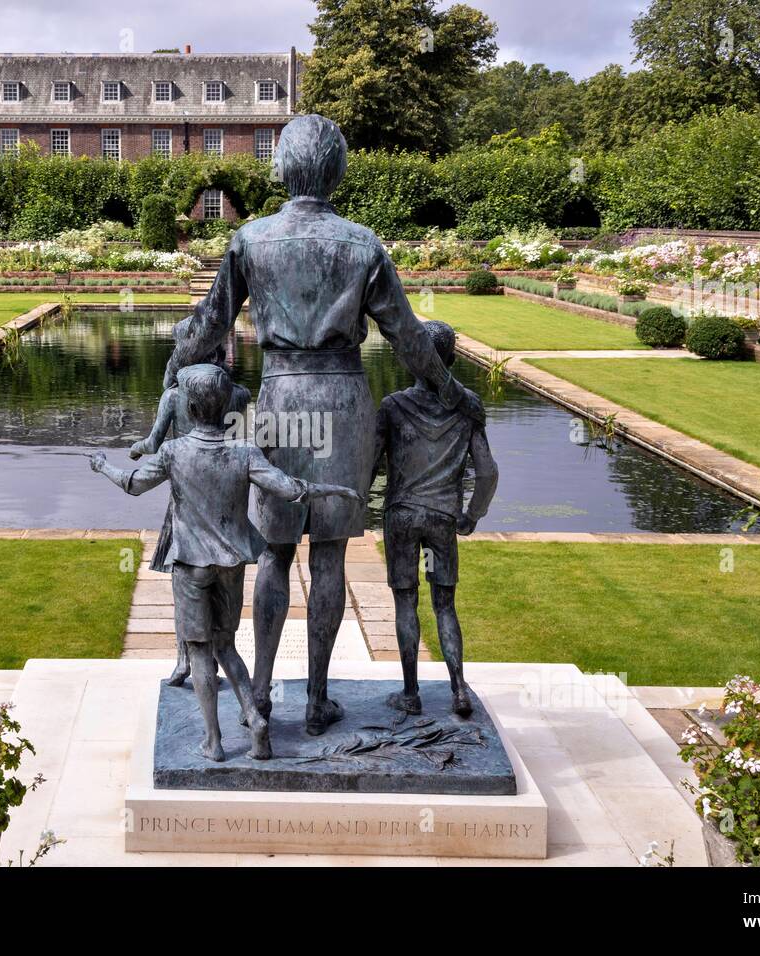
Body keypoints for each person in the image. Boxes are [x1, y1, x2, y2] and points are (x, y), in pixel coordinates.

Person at [163, 114, 481, 735]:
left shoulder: (250, 239)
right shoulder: (362, 243)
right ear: (336, 171)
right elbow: (411, 340)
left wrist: (173, 373)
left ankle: (259, 689)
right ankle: (315, 698)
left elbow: (207, 328)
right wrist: (454, 391)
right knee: (330, 553)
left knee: (275, 554)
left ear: (282, 169)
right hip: (343, 402)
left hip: (282, 400)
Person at [90, 363, 360, 761]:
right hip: (231, 566)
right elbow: (290, 489)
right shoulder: (245, 451)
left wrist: (102, 466)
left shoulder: (174, 451)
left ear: (192, 406)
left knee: (200, 651)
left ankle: (214, 742)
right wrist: (336, 488)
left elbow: (133, 485)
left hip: (191, 567)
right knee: (227, 647)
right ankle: (254, 717)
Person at [372, 320, 497, 718]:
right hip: (443, 515)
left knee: (405, 602)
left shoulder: (393, 407)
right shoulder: (467, 407)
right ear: (452, 359)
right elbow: (489, 472)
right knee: (445, 605)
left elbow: (371, 466)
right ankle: (458, 688)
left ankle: (411, 693)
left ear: (413, 359)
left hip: (403, 514)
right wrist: (472, 514)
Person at [130, 319, 250, 687]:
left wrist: (136, 450)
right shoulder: (239, 394)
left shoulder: (173, 395)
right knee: (224, 584)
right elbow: (239, 442)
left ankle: (187, 660)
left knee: (186, 584)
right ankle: (216, 656)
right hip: (226, 499)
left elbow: (151, 445)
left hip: (187, 497)